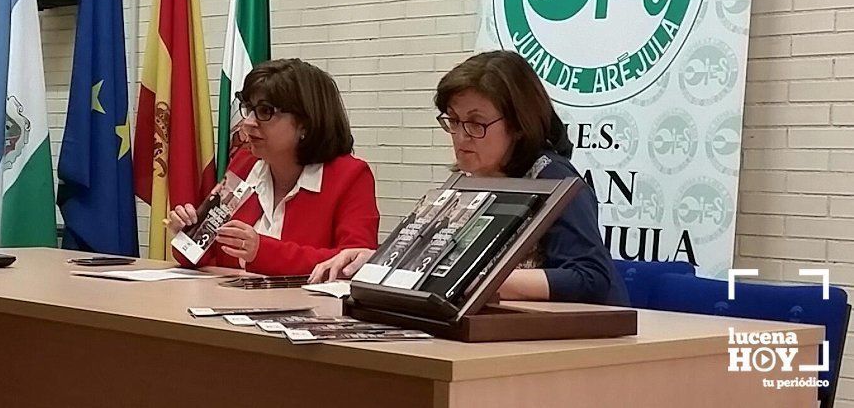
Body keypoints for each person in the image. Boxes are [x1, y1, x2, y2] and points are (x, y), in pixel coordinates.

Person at [310, 51, 628, 306]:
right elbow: (434, 261)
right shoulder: (465, 181)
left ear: (519, 124)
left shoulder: (553, 180)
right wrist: (379, 262)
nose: (461, 136)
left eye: (476, 124)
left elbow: (590, 278)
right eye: (454, 121)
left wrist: (477, 280)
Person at [165, 58, 379, 276]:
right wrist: (188, 232)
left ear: (305, 122)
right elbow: (198, 254)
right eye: (248, 109)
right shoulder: (244, 163)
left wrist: (262, 251)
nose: (248, 122)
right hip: (228, 302)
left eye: (265, 111)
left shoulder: (350, 176)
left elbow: (352, 264)